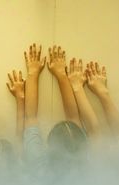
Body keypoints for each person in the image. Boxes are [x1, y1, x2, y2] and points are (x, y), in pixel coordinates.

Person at [23, 43, 88, 176]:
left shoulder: (39, 168)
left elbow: (31, 117)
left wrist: (33, 73)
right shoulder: (88, 170)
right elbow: (73, 117)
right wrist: (61, 75)